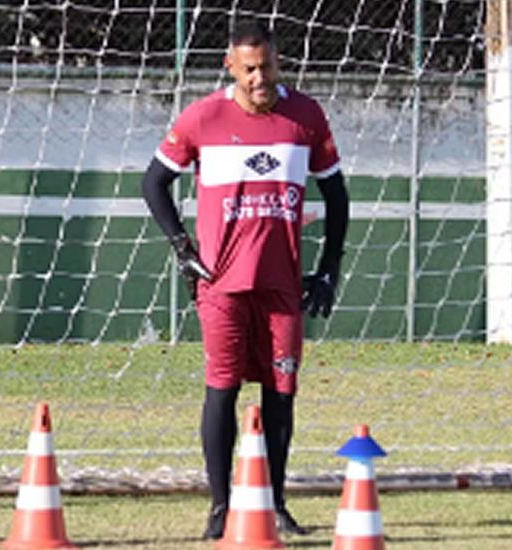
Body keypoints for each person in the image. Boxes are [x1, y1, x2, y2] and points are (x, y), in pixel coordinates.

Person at [140, 19, 349, 539]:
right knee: (222, 389)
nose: (260, 78)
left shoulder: (305, 116)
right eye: (249, 68)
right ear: (230, 67)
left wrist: (327, 269)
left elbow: (338, 196)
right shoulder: (203, 117)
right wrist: (183, 249)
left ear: (279, 63)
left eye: (268, 66)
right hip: (221, 285)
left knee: (281, 392)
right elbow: (154, 183)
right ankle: (219, 508)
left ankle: (276, 505)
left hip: (283, 286)